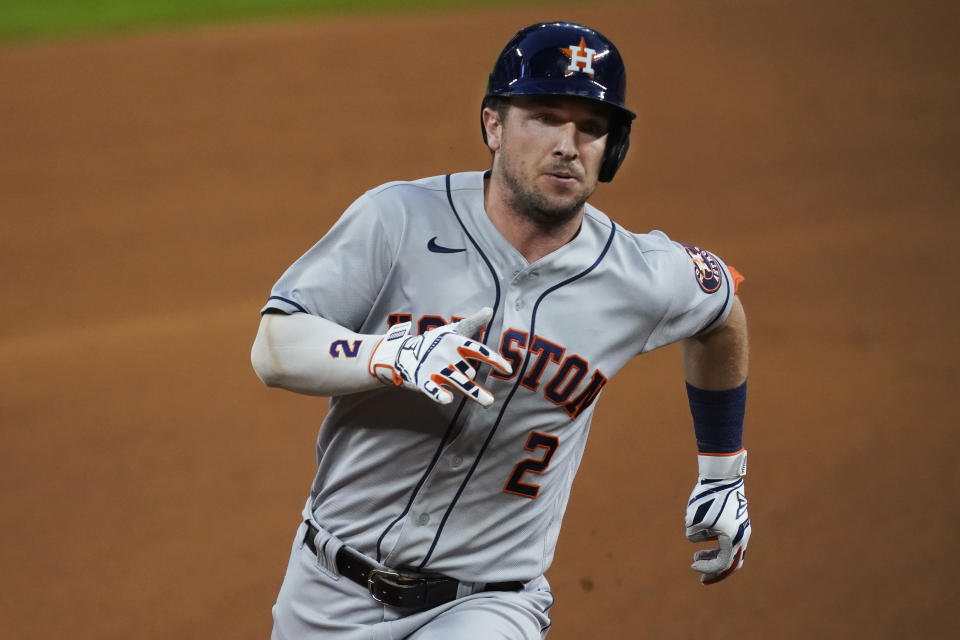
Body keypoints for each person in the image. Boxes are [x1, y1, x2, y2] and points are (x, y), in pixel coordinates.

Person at [251, 21, 751, 640]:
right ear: (493, 125)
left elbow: (721, 309)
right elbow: (274, 346)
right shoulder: (397, 219)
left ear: (612, 150)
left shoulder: (641, 275)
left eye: (592, 128)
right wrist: (390, 354)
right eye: (544, 117)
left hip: (489, 605)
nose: (568, 144)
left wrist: (723, 474)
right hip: (328, 591)